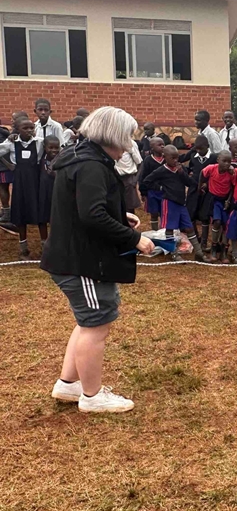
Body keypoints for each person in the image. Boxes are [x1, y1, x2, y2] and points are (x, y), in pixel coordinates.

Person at [43, 106, 155, 413]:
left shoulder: (82, 157)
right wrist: (135, 238)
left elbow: (86, 207)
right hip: (82, 262)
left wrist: (121, 216)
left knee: (87, 322)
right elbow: (92, 215)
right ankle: (92, 397)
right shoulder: (92, 165)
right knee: (97, 324)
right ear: (112, 137)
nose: (128, 146)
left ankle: (68, 385)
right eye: (126, 139)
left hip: (74, 256)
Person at [142, 145, 202, 261]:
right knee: (170, 228)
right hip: (169, 203)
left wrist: (182, 173)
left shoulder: (181, 169)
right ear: (165, 157)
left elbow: (190, 183)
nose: (176, 161)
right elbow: (146, 181)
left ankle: (199, 253)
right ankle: (173, 252)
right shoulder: (161, 171)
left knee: (189, 228)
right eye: (172, 158)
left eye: (177, 158)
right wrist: (160, 188)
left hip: (181, 203)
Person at [0, 118, 45, 258]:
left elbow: (55, 148)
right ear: (17, 130)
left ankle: (45, 247)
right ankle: (23, 249)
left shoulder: (39, 142)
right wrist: (8, 165)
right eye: (25, 128)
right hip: (19, 184)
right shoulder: (12, 143)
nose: (29, 131)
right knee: (20, 215)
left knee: (40, 214)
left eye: (31, 128)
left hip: (35, 183)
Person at [182, 135, 216, 251]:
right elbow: (191, 169)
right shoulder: (193, 157)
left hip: (207, 191)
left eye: (201, 149)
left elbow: (215, 174)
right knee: (191, 213)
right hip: (194, 189)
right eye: (197, 149)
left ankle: (204, 242)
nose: (199, 151)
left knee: (204, 216)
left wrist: (208, 183)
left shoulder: (213, 158)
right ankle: (196, 239)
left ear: (207, 146)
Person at [200, 150, 234, 262]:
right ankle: (214, 247)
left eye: (229, 161)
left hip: (225, 200)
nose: (227, 164)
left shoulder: (231, 173)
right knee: (217, 222)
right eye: (224, 161)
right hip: (214, 200)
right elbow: (202, 173)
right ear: (218, 160)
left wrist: (229, 200)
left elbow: (232, 187)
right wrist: (201, 186)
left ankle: (224, 250)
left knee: (226, 225)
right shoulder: (211, 168)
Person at [138, 137, 166, 231]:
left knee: (164, 213)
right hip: (152, 192)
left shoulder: (167, 159)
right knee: (154, 213)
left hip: (165, 192)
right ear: (152, 148)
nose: (162, 146)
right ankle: (155, 232)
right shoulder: (148, 160)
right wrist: (143, 192)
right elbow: (143, 177)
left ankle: (164, 232)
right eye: (159, 145)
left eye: (163, 144)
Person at [37, 136, 61, 240]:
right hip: (42, 194)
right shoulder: (40, 160)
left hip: (57, 195)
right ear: (44, 147)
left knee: (56, 220)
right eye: (50, 147)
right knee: (42, 219)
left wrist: (55, 174)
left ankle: (55, 243)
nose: (54, 150)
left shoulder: (62, 160)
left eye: (56, 148)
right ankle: (44, 243)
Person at [115, 139, 143, 214]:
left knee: (129, 208)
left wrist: (134, 180)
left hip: (128, 179)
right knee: (117, 206)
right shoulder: (110, 142)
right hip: (114, 178)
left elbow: (140, 163)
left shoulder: (130, 143)